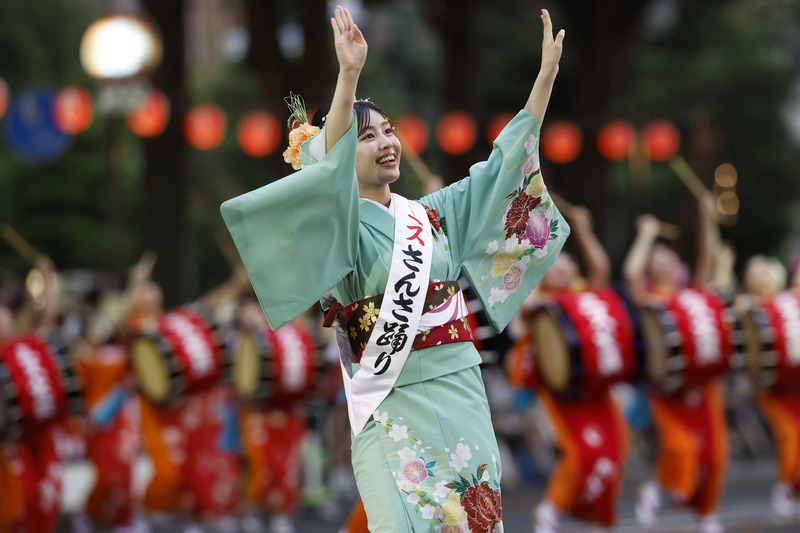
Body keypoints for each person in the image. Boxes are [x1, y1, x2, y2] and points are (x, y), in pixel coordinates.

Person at [221, 5, 568, 531]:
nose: (386, 142)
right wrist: (349, 76)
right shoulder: (337, 227)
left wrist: (544, 80)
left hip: (459, 389)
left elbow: (501, 170)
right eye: (367, 137)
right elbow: (322, 170)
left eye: (387, 131)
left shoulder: (430, 214)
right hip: (389, 397)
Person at [517, 206, 630, 533]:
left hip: (598, 388)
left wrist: (582, 230)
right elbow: (527, 299)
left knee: (614, 450)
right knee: (579, 455)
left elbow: (601, 267)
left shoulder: (587, 297)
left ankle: (600, 517)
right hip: (562, 394)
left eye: (567, 264)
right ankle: (550, 510)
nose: (561, 268)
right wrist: (535, 246)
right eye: (554, 265)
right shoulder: (541, 305)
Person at [624, 195, 728, 533]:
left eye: (667, 258)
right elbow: (629, 272)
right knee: (681, 449)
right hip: (667, 391)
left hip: (702, 388)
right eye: (655, 260)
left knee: (714, 457)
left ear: (677, 265)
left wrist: (708, 219)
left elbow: (709, 258)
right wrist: (647, 235)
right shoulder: (650, 301)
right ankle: (657, 488)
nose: (661, 263)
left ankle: (706, 514)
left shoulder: (694, 293)